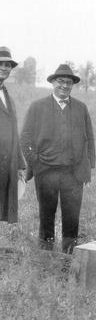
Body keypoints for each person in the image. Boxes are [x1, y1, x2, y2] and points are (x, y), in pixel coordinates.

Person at [20, 64, 95, 254]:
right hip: (46, 172)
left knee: (72, 219)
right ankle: (45, 260)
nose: (64, 86)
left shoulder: (80, 108)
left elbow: (90, 138)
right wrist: (36, 164)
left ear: (72, 85)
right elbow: (25, 137)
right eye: (60, 81)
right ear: (53, 82)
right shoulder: (38, 107)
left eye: (69, 83)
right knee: (46, 217)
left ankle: (68, 262)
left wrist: (88, 167)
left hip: (73, 174)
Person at [0, 47, 25, 225]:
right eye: (0, 64)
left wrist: (20, 164)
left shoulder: (7, 95)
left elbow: (13, 132)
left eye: (8, 65)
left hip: (6, 163)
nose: (4, 68)